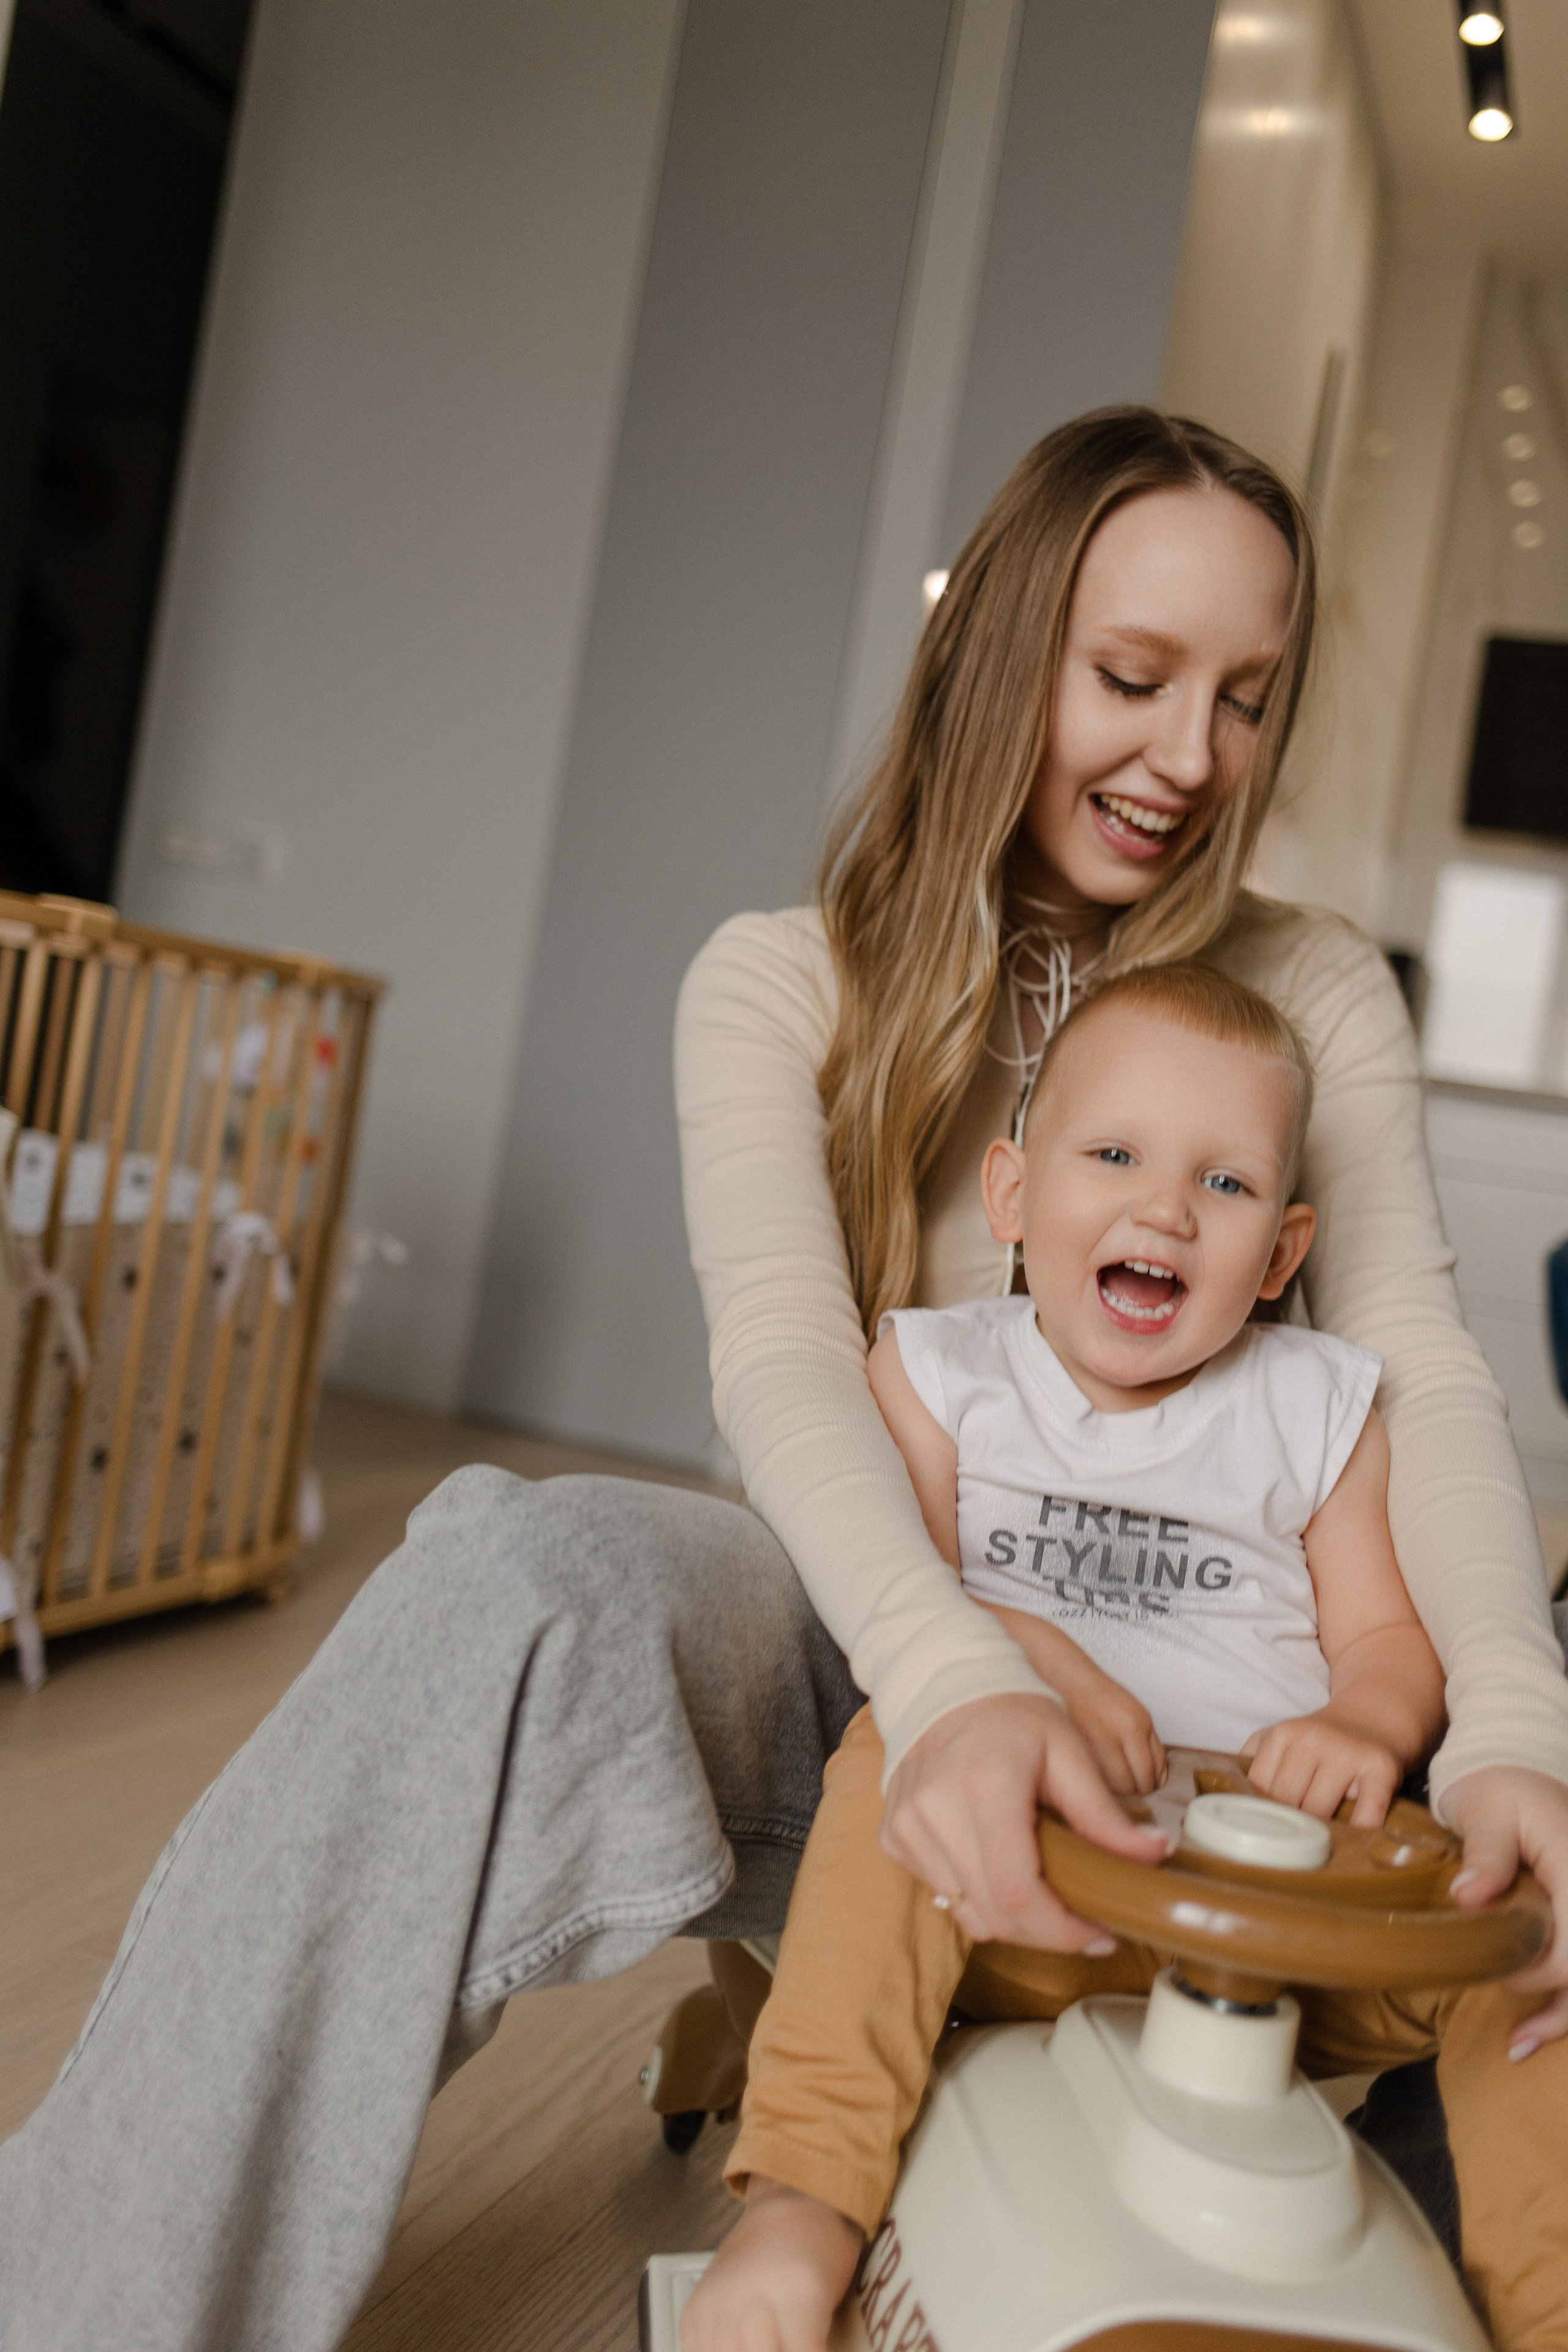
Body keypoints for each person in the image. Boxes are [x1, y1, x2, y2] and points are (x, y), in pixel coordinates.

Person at [2, 409, 1566, 2352]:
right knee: (518, 1569)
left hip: (1260, 1720)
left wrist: (1507, 1718)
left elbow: (1416, 1368)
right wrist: (961, 1675)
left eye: (1246, 700)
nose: (1191, 759)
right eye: (1133, 679)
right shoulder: (775, 981)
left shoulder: (1316, 990)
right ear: (1002, 651)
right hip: (891, 1673)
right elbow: (783, 1375)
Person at [685, 965, 1568, 2352]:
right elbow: (902, 1591)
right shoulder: (932, 1373)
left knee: (1531, 1940)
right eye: (1112, 1156)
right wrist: (1034, 1670)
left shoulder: (1319, 1407)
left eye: (1221, 1187)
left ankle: (1547, 2307)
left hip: (1289, 1909)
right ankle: (805, 2196)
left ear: (1278, 1258)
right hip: (1007, 1871)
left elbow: (1391, 1638)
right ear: (1012, 1198)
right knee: (887, 1763)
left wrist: (1365, 1722)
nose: (1163, 1207)